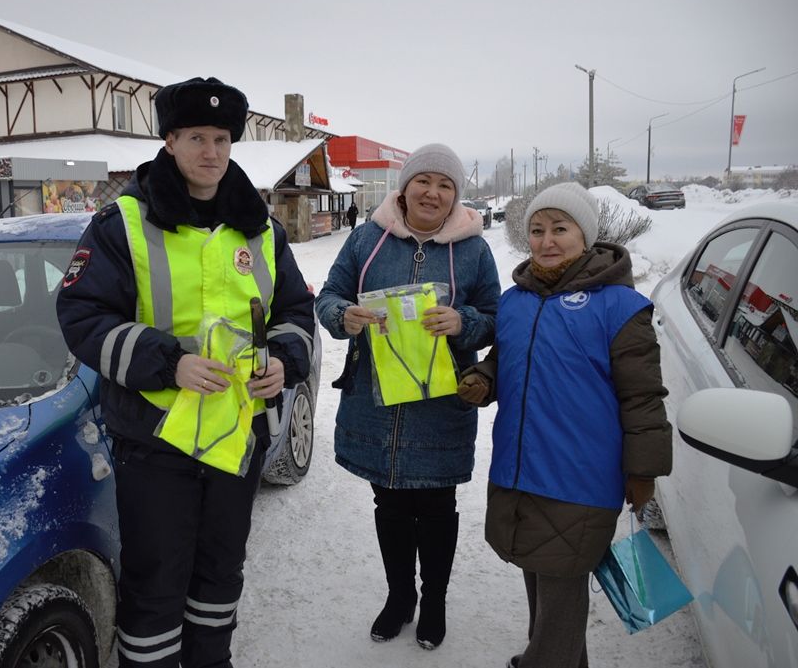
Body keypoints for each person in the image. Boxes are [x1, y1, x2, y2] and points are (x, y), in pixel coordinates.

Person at [56, 76, 315, 668]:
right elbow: (82, 314)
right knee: (154, 588)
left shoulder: (263, 229)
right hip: (155, 442)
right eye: (196, 136)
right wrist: (169, 363)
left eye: (222, 139)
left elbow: (296, 312)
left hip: (236, 439)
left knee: (220, 578)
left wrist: (281, 358)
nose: (211, 152)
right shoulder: (122, 222)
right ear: (169, 140)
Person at [457, 182, 672, 668]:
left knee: (560, 591)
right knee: (539, 573)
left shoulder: (619, 307)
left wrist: (644, 470)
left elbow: (642, 397)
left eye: (560, 228)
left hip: (579, 476)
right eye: (537, 230)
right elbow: (508, 358)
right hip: (519, 466)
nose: (547, 240)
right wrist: (482, 379)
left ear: (586, 236)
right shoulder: (515, 301)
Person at [315, 143, 501, 650]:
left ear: (456, 196)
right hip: (377, 401)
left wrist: (465, 322)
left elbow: (495, 317)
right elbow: (329, 296)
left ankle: (433, 600)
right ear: (406, 186)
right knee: (390, 502)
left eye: (445, 185)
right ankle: (400, 598)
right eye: (425, 181)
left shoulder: (474, 251)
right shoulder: (367, 239)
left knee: (438, 505)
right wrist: (343, 317)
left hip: (442, 404)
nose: (433, 193)